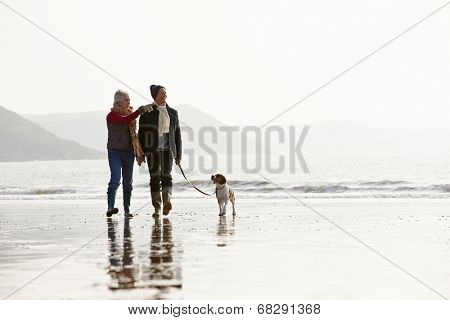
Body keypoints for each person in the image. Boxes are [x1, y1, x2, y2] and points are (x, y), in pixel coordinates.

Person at [106, 90, 152, 218]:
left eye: (129, 99)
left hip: (129, 152)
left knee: (128, 182)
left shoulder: (130, 114)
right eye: (126, 100)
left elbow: (130, 121)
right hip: (114, 151)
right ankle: (110, 207)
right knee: (115, 179)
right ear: (118, 101)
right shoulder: (112, 115)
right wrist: (139, 111)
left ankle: (127, 210)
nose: (129, 102)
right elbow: (124, 120)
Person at [138, 85, 182, 218]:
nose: (165, 95)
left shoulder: (173, 112)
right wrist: (141, 153)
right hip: (152, 151)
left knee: (166, 176)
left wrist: (178, 155)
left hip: (168, 150)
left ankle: (167, 203)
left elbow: (177, 135)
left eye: (165, 93)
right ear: (155, 95)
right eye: (162, 93)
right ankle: (157, 207)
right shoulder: (147, 112)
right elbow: (141, 134)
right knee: (155, 178)